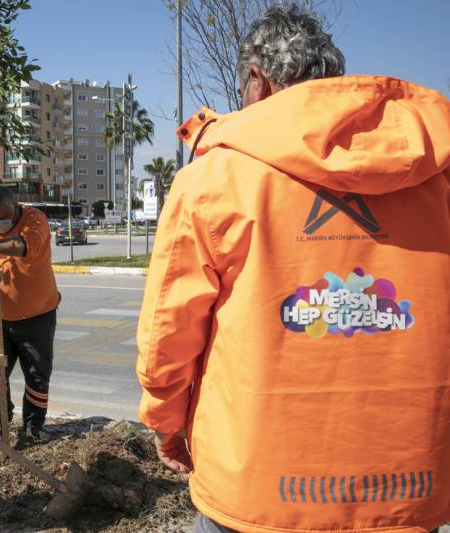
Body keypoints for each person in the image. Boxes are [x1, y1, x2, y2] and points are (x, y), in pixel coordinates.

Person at [137, 3, 450, 532]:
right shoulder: (433, 171)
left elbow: (170, 332)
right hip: (406, 487)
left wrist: (168, 425)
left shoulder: (214, 177)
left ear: (256, 80)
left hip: (257, 487)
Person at [0, 187, 60, 442]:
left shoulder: (34, 219)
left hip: (37, 314)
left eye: (3, 217)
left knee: (37, 374)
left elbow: (23, 247)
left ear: (15, 206)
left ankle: (33, 425)